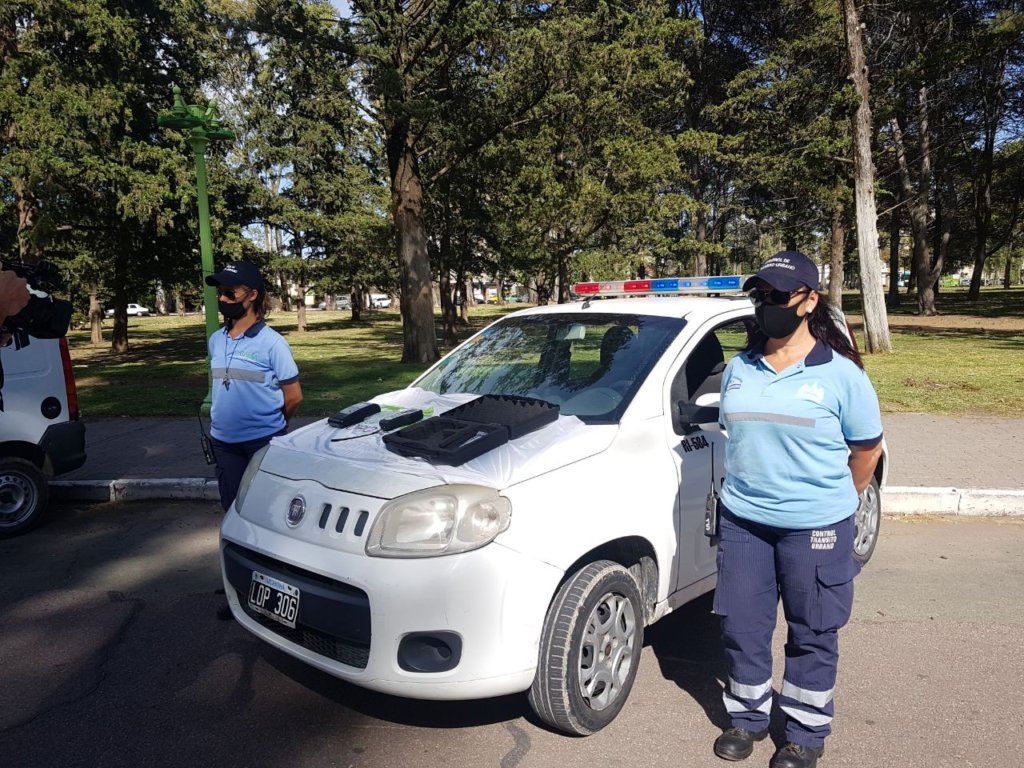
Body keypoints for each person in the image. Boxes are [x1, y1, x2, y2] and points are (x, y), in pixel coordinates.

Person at [711, 251, 883, 768]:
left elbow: (866, 451)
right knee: (742, 625)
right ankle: (747, 718)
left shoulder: (843, 376)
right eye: (759, 295)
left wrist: (839, 502)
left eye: (777, 295)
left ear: (809, 301)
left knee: (813, 629)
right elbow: (733, 436)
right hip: (744, 522)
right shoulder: (739, 369)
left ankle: (805, 731)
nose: (766, 305)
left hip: (815, 526)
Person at [205, 261, 302, 513]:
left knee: (266, 510)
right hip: (223, 443)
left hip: (262, 442)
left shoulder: (272, 343)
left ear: (252, 295)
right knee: (233, 510)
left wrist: (272, 425)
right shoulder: (216, 340)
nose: (223, 299)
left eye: (230, 293)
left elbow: (294, 396)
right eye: (220, 293)